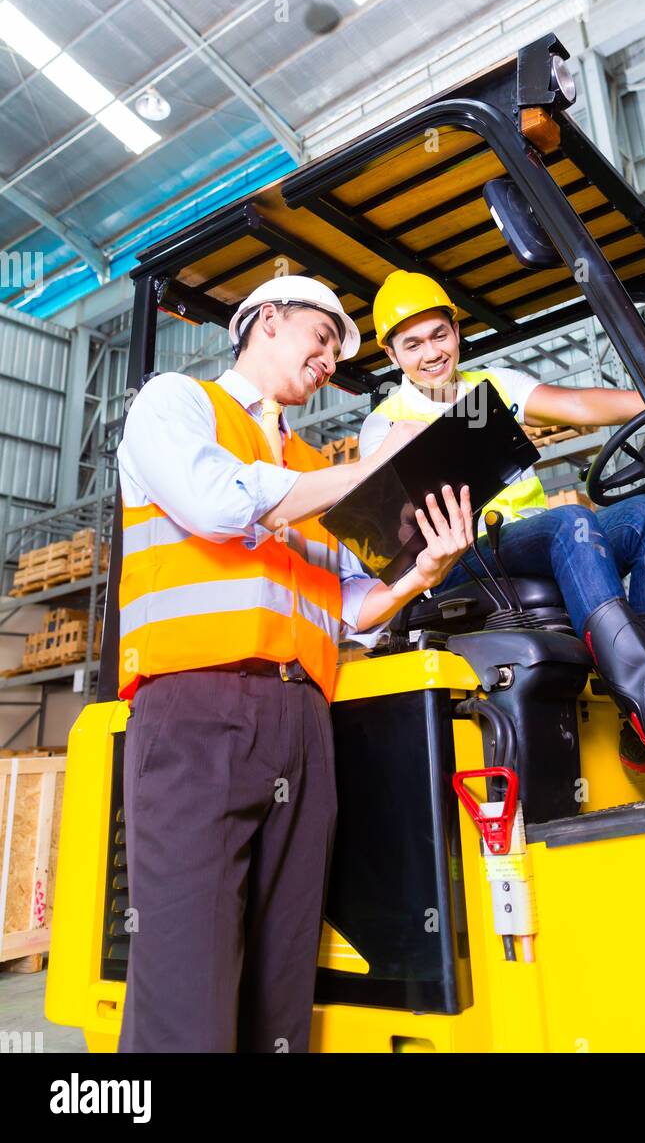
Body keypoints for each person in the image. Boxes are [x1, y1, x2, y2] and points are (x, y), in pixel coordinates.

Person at [115, 275, 473, 1053]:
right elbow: (216, 502)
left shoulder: (312, 462)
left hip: (303, 721)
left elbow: (348, 604)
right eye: (323, 338)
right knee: (188, 993)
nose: (330, 361)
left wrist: (422, 572)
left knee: (282, 991)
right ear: (268, 321)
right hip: (198, 714)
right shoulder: (177, 404)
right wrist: (378, 470)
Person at [358, 272, 645, 800]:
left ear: (456, 332)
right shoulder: (387, 422)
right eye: (412, 344)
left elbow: (579, 405)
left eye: (439, 335)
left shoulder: (491, 387)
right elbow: (388, 523)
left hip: (526, 542)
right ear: (392, 355)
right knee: (571, 523)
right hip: (460, 556)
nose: (431, 353)